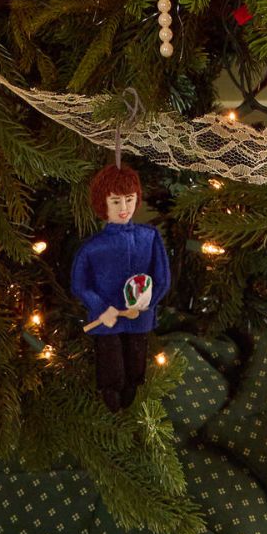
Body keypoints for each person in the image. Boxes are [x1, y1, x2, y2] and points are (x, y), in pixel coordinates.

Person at [69, 161, 172, 411]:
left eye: (129, 199)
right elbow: (80, 283)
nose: (124, 207)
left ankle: (132, 389)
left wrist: (147, 302)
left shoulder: (150, 237)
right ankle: (111, 393)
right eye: (116, 201)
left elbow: (162, 276)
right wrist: (101, 308)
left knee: (137, 354)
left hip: (139, 316)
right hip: (107, 318)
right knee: (110, 356)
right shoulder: (93, 247)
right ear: (102, 204)